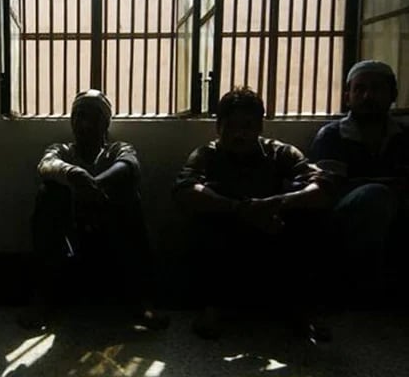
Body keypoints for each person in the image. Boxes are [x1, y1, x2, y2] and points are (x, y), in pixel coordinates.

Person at [173, 87, 333, 340]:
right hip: (228, 245)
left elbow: (322, 190)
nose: (239, 135)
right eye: (231, 126)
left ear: (260, 127)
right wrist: (238, 209)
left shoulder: (281, 153)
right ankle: (214, 306)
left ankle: (298, 309)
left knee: (308, 216)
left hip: (273, 242)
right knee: (205, 212)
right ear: (218, 127)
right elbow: (184, 191)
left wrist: (278, 202)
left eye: (247, 126)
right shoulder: (207, 155)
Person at [21, 89, 168, 330]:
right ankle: (43, 297)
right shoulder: (62, 151)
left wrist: (93, 187)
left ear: (106, 122)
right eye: (78, 115)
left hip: (111, 243)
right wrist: (73, 175)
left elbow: (130, 165)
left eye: (93, 117)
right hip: (71, 244)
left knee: (128, 193)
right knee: (49, 194)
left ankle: (140, 301)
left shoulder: (118, 150)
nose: (85, 123)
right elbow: (46, 165)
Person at [310, 60, 409, 300]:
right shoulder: (333, 136)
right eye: (360, 89)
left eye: (377, 89)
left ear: (393, 95)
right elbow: (328, 189)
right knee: (375, 196)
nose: (367, 96)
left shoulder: (404, 137)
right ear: (348, 96)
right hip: (344, 221)